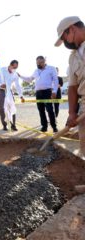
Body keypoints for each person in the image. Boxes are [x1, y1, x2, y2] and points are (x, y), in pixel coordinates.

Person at [55, 16, 85, 158]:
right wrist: (72, 113)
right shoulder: (73, 57)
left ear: (72, 29)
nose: (66, 43)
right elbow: (73, 87)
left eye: (64, 38)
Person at [19, 56, 58, 133]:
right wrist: (20, 76)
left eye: (40, 63)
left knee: (50, 110)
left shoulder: (51, 68)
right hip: (38, 93)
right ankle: (44, 126)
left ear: (44, 62)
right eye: (37, 63)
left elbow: (55, 80)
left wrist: (54, 91)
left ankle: (54, 127)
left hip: (47, 92)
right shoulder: (36, 71)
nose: (38, 64)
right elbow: (30, 79)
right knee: (41, 110)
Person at [0, 60, 25, 131]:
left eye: (16, 68)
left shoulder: (15, 74)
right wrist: (0, 85)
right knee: (2, 108)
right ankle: (4, 125)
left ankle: (13, 125)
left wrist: (21, 96)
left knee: (12, 107)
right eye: (14, 67)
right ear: (10, 65)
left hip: (9, 91)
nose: (14, 69)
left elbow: (17, 85)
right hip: (0, 90)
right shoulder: (1, 70)